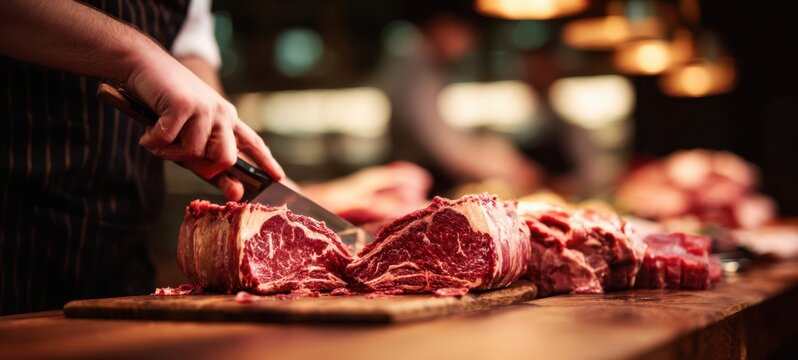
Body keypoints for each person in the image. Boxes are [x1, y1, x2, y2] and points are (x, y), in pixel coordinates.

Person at [0, 0, 284, 315]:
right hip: (12, 234)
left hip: (118, 257)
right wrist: (137, 56)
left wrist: (223, 134)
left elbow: (187, 46)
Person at [371, 2, 542, 197]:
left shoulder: (424, 65)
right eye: (466, 35)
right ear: (444, 25)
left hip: (422, 177)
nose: (466, 46)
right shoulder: (417, 68)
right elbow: (443, 146)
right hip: (418, 181)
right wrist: (510, 169)